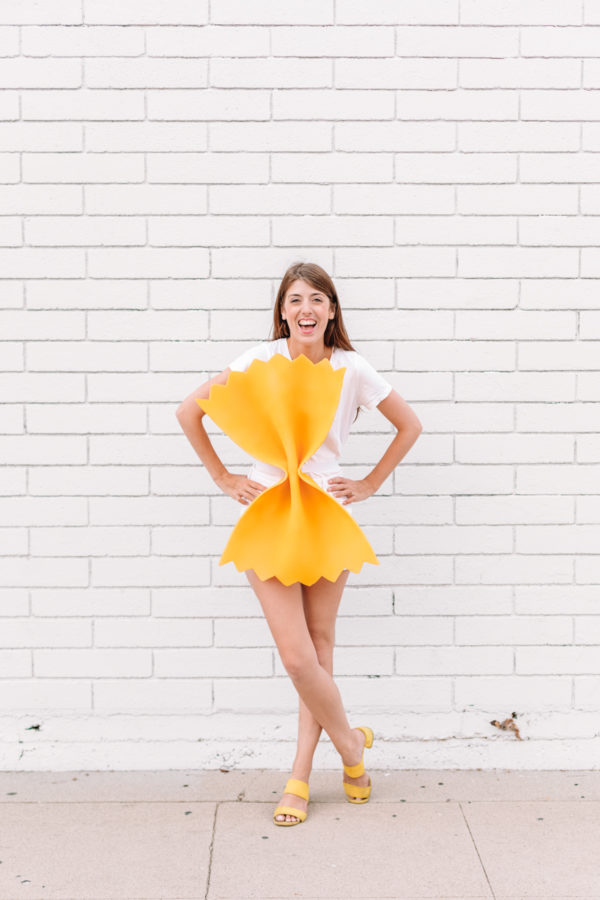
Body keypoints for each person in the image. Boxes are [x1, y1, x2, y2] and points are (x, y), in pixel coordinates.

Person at [175, 262, 422, 826]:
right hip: (266, 510)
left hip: (325, 512)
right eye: (294, 300)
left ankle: (301, 774)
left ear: (332, 310)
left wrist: (368, 483)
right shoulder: (258, 360)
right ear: (282, 312)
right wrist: (222, 477)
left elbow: (409, 425)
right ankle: (353, 747)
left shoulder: (352, 368)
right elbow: (189, 411)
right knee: (296, 656)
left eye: (317, 298)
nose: (305, 308)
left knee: (319, 644)